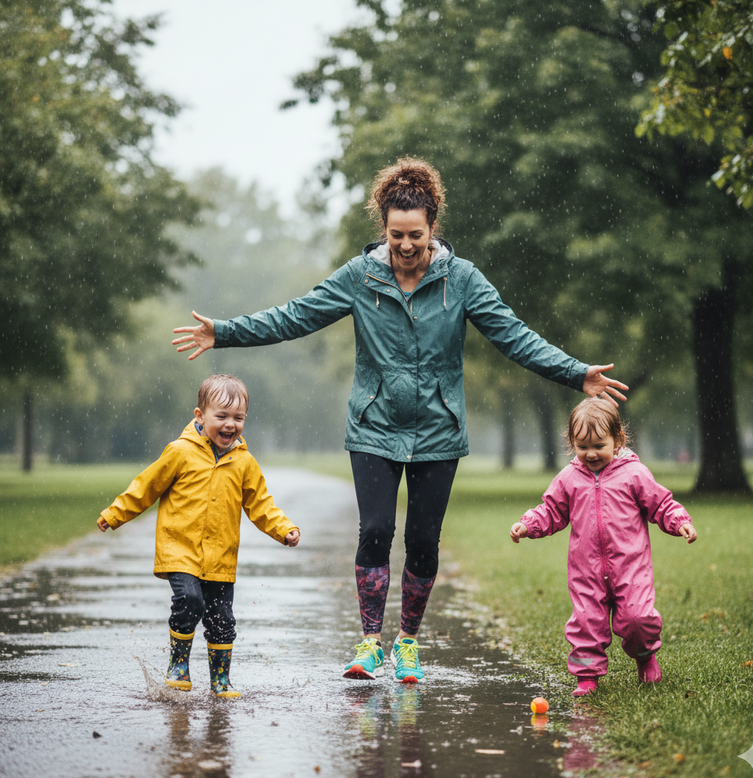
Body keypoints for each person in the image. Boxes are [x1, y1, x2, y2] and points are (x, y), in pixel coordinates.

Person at [172, 157, 628, 684]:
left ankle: (407, 642)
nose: (405, 246)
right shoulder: (359, 277)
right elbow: (294, 315)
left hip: (438, 429)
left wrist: (576, 373)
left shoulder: (462, 280)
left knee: (423, 540)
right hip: (374, 424)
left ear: (434, 228)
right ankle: (370, 642)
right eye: (395, 236)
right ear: (382, 229)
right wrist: (223, 332)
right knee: (375, 530)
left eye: (415, 235)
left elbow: (513, 335)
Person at [97, 374, 300, 698]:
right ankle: (178, 664)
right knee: (189, 601)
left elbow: (261, 504)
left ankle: (221, 679)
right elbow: (145, 487)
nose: (230, 424)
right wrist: (114, 514)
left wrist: (284, 529)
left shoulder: (244, 463)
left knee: (222, 619)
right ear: (200, 416)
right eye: (221, 416)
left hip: (220, 556)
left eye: (238, 418)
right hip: (180, 550)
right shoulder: (180, 452)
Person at [510, 397, 697, 697]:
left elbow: (660, 504)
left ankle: (645, 656)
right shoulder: (570, 478)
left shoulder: (633, 474)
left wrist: (679, 521)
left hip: (630, 567)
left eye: (599, 445)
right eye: (583, 446)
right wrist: (528, 524)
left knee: (637, 620)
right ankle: (587, 676)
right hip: (586, 571)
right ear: (572, 443)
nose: (591, 454)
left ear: (618, 439)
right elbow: (551, 510)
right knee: (586, 624)